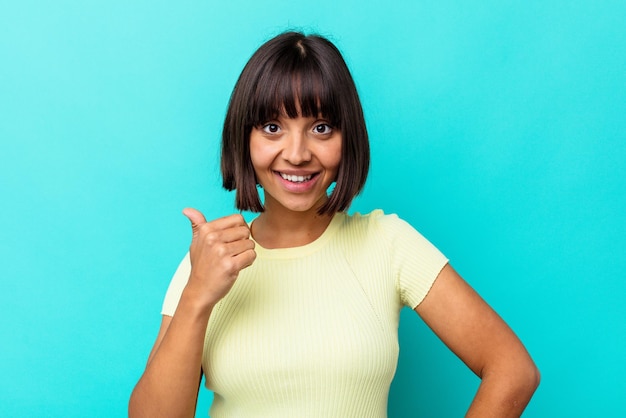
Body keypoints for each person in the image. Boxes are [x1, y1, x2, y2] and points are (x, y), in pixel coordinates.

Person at [128, 31, 540, 418]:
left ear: (348, 139)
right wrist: (198, 293)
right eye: (273, 127)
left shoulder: (388, 244)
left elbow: (513, 369)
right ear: (244, 139)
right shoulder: (210, 260)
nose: (297, 153)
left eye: (320, 128)